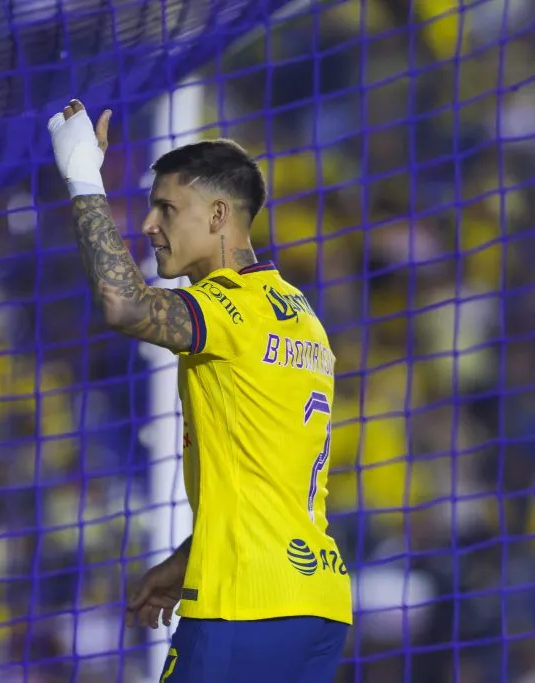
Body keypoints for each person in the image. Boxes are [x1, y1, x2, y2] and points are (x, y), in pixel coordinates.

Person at [47, 100, 352, 682]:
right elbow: (267, 485)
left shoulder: (229, 307)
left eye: (166, 208)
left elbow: (125, 306)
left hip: (244, 604)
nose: (149, 225)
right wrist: (192, 556)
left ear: (217, 215)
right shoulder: (300, 315)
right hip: (317, 603)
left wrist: (82, 175)